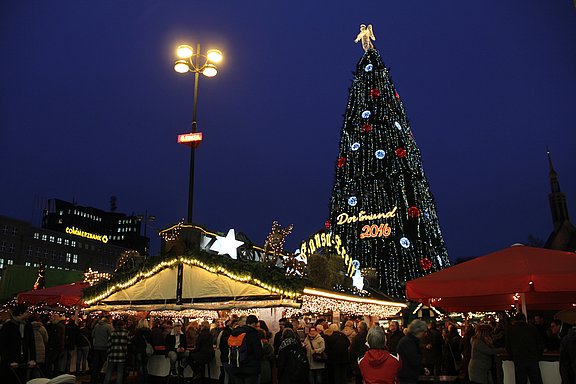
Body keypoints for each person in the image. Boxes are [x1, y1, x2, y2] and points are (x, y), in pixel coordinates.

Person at [0, 304, 36, 384]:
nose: (28, 313)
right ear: (20, 313)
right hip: (10, 362)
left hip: (23, 360)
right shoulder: (7, 326)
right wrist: (9, 361)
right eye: (26, 312)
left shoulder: (28, 325)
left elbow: (32, 343)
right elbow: (3, 346)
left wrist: (33, 359)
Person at [506, 313, 544, 384]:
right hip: (532, 359)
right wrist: (538, 356)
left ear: (515, 320)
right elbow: (540, 344)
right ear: (525, 319)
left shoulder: (511, 330)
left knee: (520, 381)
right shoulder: (532, 328)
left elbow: (508, 347)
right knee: (536, 380)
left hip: (518, 360)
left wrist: (513, 357)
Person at [229, 315, 263, 384]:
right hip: (250, 369)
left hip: (237, 366)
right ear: (254, 323)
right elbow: (258, 353)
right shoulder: (253, 334)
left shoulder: (235, 333)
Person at [397, 319, 428, 384]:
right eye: (424, 332)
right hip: (408, 376)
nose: (425, 334)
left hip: (406, 375)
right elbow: (414, 359)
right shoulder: (409, 342)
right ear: (418, 331)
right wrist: (422, 369)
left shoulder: (407, 340)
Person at [103, 319, 129, 384]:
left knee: (109, 371)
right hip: (122, 355)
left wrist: (108, 353)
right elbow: (128, 343)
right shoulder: (126, 333)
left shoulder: (112, 333)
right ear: (123, 326)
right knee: (120, 372)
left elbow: (109, 344)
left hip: (112, 355)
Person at [91, 315, 113, 384]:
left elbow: (92, 335)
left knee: (96, 364)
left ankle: (94, 378)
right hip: (104, 347)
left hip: (96, 346)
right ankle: (102, 378)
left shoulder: (97, 326)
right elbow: (112, 335)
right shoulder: (108, 327)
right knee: (104, 364)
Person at [46, 313, 65, 378]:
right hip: (58, 348)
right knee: (56, 363)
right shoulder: (60, 326)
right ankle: (55, 376)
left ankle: (50, 376)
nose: (50, 319)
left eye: (51, 318)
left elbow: (55, 338)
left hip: (55, 348)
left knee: (50, 362)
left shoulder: (57, 327)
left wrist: (51, 346)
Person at [133, 318, 152, 384]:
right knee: (145, 366)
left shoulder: (137, 331)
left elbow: (134, 341)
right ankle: (145, 380)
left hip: (139, 350)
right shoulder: (149, 331)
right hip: (146, 351)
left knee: (140, 366)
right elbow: (151, 341)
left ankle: (140, 380)